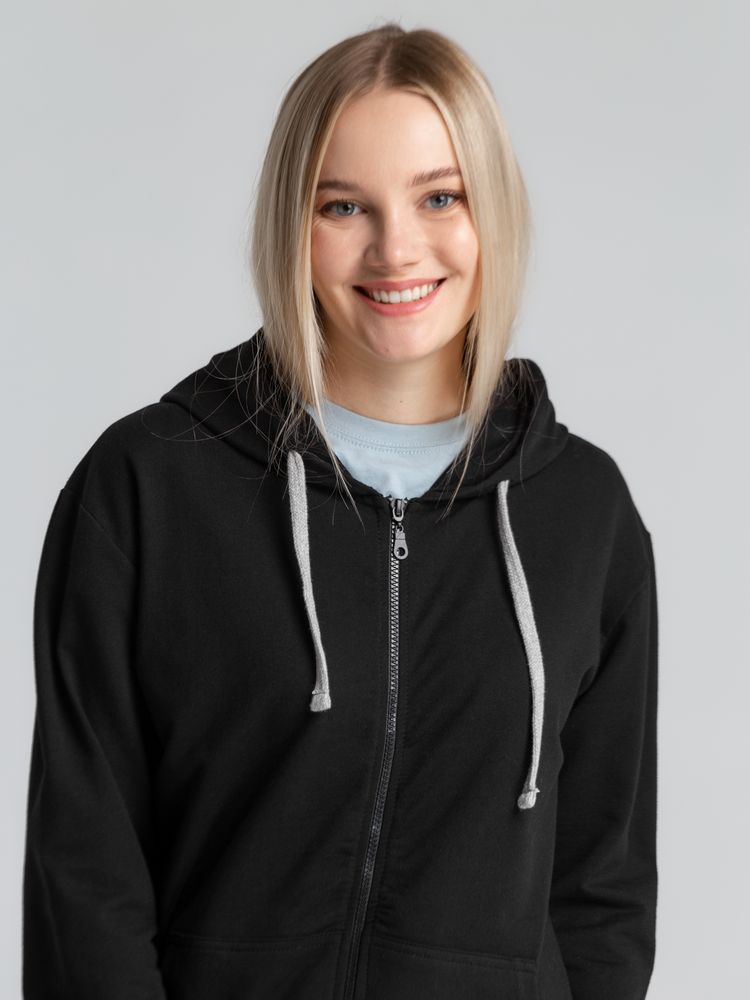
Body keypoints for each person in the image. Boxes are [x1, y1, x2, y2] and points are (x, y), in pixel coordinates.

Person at [22, 22, 658, 1000]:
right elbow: (86, 873)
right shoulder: (149, 486)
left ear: (492, 209)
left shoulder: (583, 512)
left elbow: (601, 892)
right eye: (343, 205)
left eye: (440, 196)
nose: (395, 248)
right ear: (293, 223)